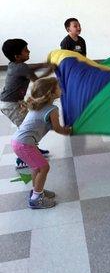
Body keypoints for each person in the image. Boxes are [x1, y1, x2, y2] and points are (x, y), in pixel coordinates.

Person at [11, 77, 72, 209]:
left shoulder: (37, 105)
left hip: (18, 142)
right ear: (51, 93)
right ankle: (36, 199)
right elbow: (57, 128)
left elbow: (46, 125)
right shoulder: (52, 109)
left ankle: (37, 192)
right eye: (59, 87)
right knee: (44, 167)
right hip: (25, 144)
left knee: (36, 167)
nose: (61, 89)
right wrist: (69, 131)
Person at [0, 39, 54, 168]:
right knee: (26, 128)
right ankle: (22, 158)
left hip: (14, 102)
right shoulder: (22, 68)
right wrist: (50, 70)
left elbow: (32, 68)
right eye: (25, 50)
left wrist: (45, 64)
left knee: (31, 124)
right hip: (11, 105)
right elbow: (38, 82)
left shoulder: (15, 64)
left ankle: (32, 148)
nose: (29, 51)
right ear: (17, 56)